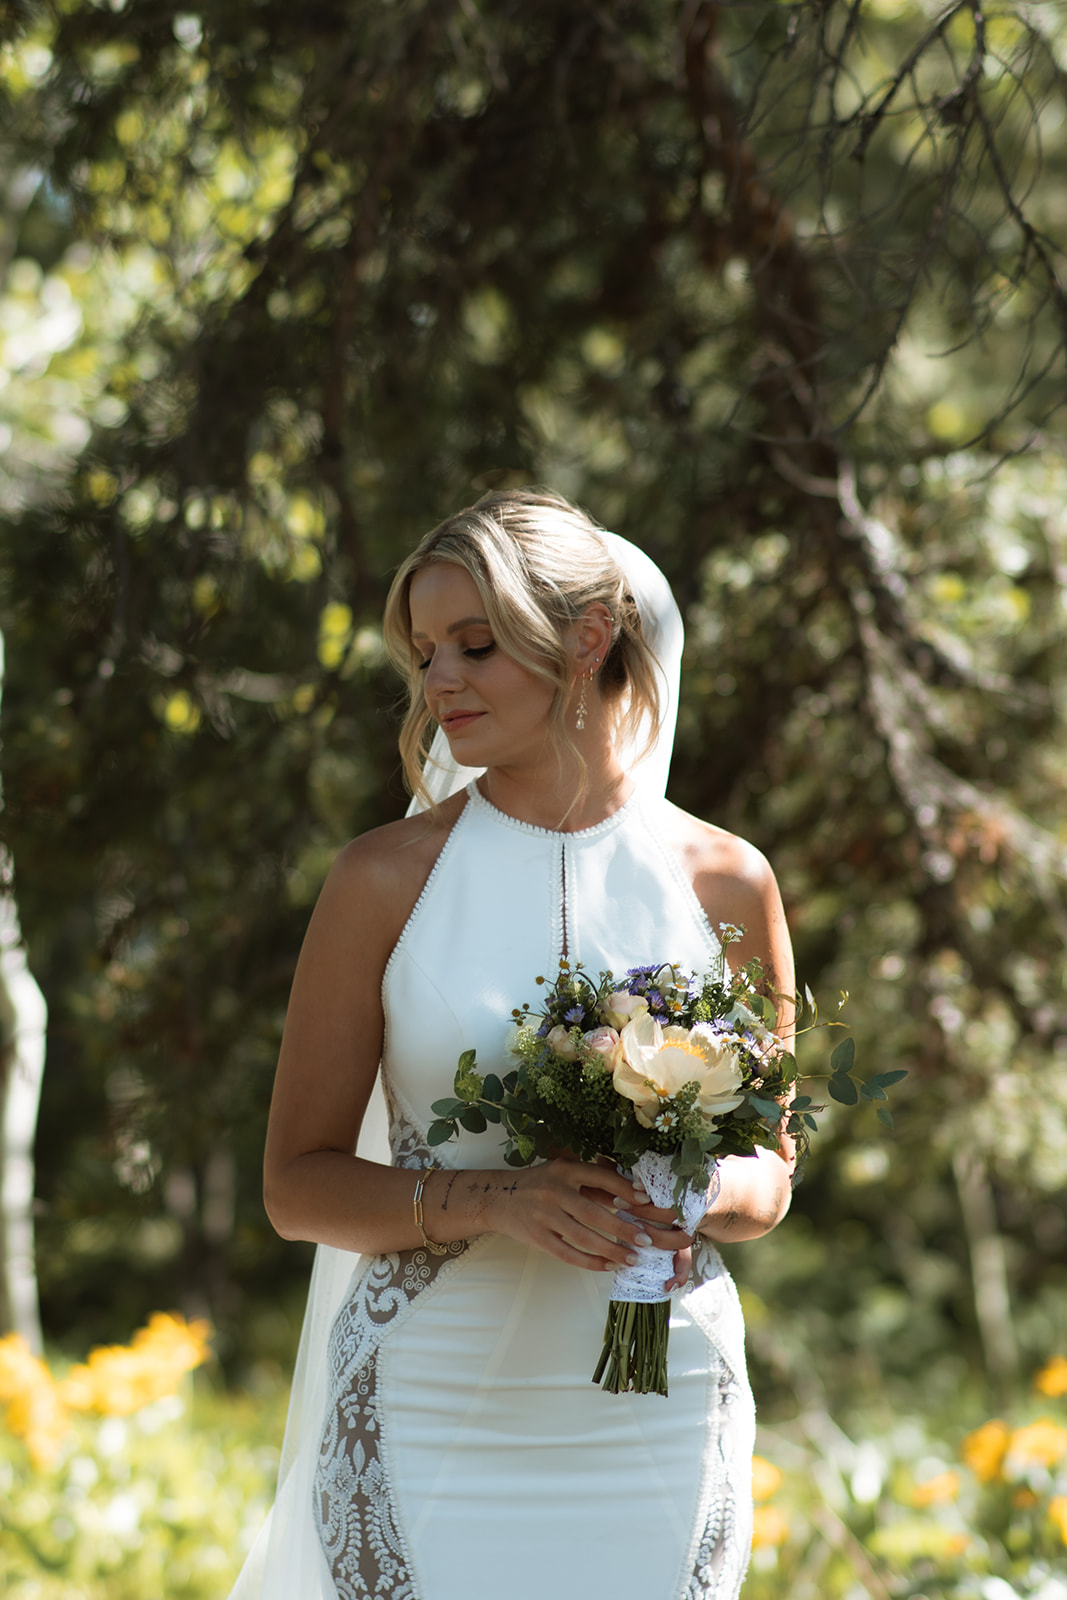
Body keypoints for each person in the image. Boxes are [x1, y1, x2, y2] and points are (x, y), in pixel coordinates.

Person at [230, 489, 795, 1600]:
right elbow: (296, 1188)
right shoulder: (380, 880)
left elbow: (768, 1173)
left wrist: (675, 1184)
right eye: (425, 652)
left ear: (587, 635)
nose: (438, 681)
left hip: (655, 1403)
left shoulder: (727, 880)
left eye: (474, 645)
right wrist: (494, 1201)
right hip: (430, 1398)